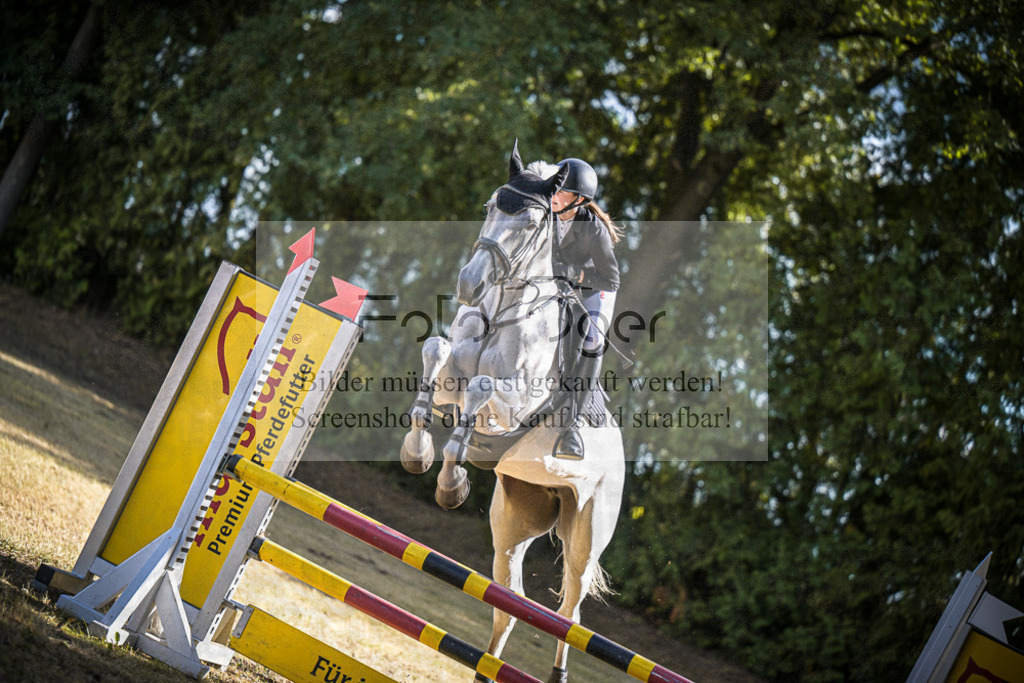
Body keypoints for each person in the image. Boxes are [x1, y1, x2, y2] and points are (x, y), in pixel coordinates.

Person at [549, 158, 622, 460]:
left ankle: (572, 426)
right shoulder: (545, 212)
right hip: (553, 285)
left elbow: (612, 279)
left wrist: (576, 274)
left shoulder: (594, 230)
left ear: (578, 200)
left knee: (591, 342)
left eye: (562, 191)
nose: (554, 194)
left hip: (593, 291)